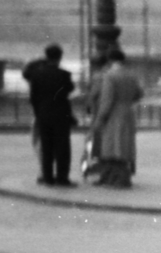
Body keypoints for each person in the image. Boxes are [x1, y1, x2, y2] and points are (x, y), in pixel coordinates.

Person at [86, 48, 143, 188]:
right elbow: (139, 94)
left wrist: (100, 119)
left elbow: (107, 100)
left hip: (113, 114)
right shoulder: (131, 75)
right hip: (128, 112)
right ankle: (114, 177)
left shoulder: (110, 76)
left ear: (110, 60)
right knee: (123, 146)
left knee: (112, 146)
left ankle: (114, 178)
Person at [22, 44, 77, 187]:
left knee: (46, 147)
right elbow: (69, 91)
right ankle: (62, 178)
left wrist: (38, 112)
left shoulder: (36, 75)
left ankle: (47, 177)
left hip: (43, 114)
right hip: (61, 114)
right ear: (60, 57)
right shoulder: (64, 75)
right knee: (62, 147)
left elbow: (33, 97)